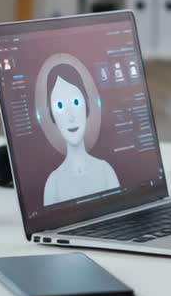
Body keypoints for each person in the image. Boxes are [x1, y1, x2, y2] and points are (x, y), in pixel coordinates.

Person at [42, 62, 119, 205]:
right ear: (52, 115)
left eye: (76, 102)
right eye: (60, 106)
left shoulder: (105, 171)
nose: (70, 116)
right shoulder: (54, 183)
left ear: (86, 105)